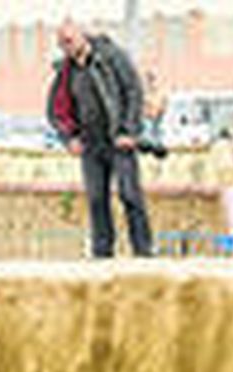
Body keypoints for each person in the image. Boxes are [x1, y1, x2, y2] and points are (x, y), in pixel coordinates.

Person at [45, 20, 153, 259]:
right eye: (61, 44)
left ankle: (144, 251)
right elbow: (56, 111)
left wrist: (129, 131)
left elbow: (133, 91)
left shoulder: (112, 56)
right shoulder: (65, 72)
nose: (66, 47)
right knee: (96, 199)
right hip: (90, 143)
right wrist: (69, 138)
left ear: (82, 36)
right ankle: (102, 253)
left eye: (69, 41)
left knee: (129, 194)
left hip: (118, 139)